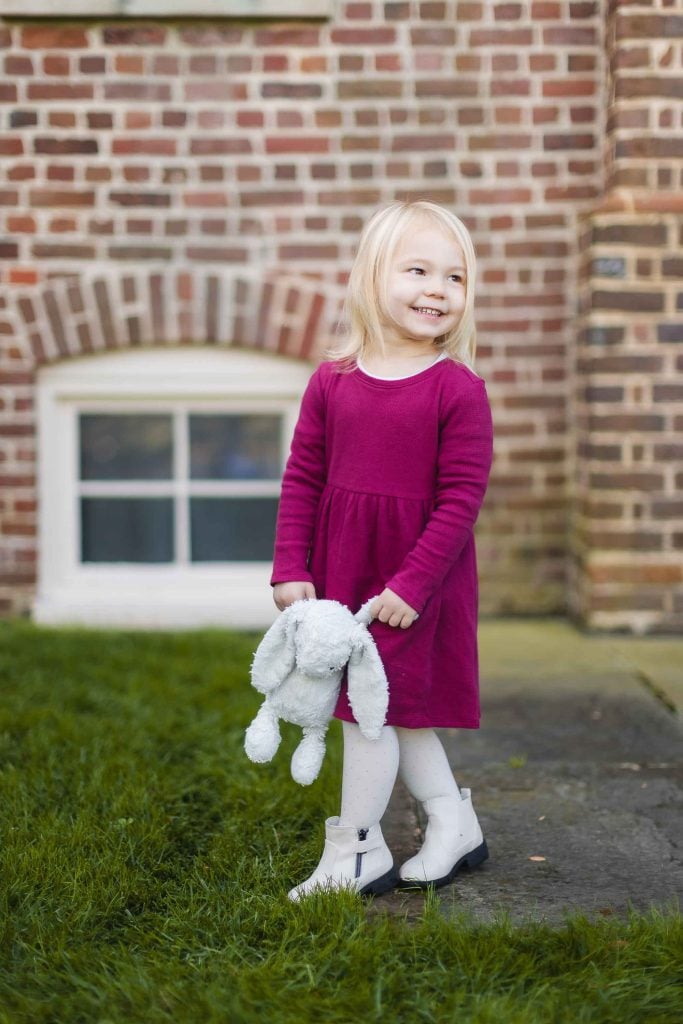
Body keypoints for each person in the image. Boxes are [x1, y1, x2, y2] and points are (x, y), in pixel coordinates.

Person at [270, 199, 494, 899]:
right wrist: (289, 564)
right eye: (418, 270)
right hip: (346, 571)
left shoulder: (457, 390)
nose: (437, 289)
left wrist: (412, 584)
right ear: (373, 277)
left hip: (415, 581)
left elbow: (462, 498)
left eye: (453, 278)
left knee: (373, 709)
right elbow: (302, 475)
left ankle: (355, 851)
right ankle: (452, 821)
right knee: (392, 707)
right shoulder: (332, 381)